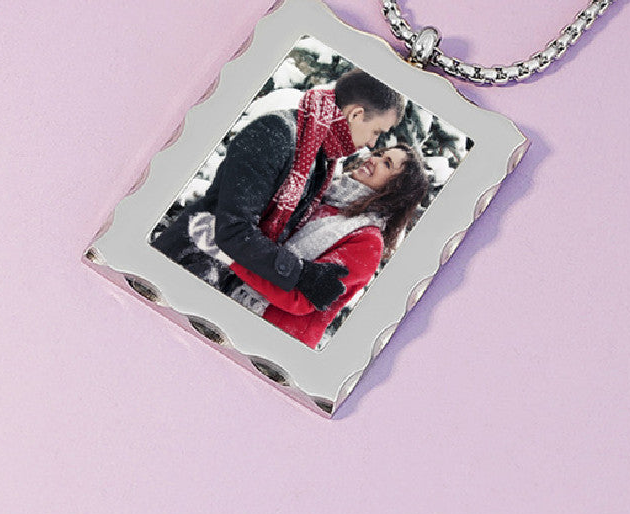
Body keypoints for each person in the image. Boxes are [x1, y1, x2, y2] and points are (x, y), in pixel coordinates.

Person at [152, 68, 404, 311]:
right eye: (376, 132)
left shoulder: (320, 158)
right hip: (180, 271)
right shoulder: (275, 133)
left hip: (219, 286)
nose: (372, 143)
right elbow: (233, 230)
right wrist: (301, 274)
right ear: (356, 115)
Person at [183, 143, 430, 348]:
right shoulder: (326, 198)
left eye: (387, 164)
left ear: (395, 191)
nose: (373, 159)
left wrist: (232, 253)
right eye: (380, 154)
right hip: (233, 304)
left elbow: (301, 296)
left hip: (270, 341)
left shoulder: (367, 243)